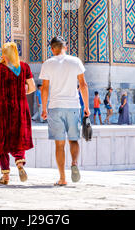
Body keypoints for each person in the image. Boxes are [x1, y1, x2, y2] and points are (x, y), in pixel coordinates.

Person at [40, 36, 90, 186]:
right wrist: (87, 107)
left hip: (55, 107)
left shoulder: (48, 64)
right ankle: (74, 163)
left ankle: (62, 178)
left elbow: (45, 88)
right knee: (73, 140)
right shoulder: (75, 61)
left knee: (59, 145)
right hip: (74, 106)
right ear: (65, 47)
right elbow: (83, 85)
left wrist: (43, 108)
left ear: (52, 49)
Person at [0, 42, 36, 185]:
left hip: (2, 109)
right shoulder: (24, 67)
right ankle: (19, 163)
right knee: (18, 138)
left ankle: (5, 175)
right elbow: (32, 87)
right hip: (20, 108)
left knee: (1, 140)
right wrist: (21, 91)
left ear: (4, 54)